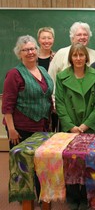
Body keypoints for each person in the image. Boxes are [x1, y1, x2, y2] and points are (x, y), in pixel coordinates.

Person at [1, 35, 54, 199]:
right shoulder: (14, 74)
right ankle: (24, 198)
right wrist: (11, 129)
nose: (30, 52)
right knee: (23, 165)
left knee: (40, 164)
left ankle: (40, 196)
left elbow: (46, 96)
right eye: (25, 50)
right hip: (20, 128)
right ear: (19, 53)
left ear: (37, 51)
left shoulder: (43, 71)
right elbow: (7, 105)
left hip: (42, 127)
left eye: (32, 49)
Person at [55, 43, 95, 209]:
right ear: (71, 57)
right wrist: (71, 126)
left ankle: (85, 197)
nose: (78, 58)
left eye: (81, 55)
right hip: (70, 128)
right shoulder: (62, 76)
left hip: (91, 127)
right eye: (75, 55)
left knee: (88, 161)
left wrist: (85, 125)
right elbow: (60, 104)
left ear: (86, 57)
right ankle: (72, 197)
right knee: (70, 162)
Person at [48, 21, 95, 86]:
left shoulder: (94, 54)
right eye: (79, 35)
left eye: (85, 34)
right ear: (72, 38)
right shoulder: (61, 53)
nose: (82, 37)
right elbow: (51, 77)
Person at [37, 27, 58, 131]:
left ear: (53, 39)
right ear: (38, 40)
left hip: (53, 102)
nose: (46, 41)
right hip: (37, 102)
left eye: (49, 38)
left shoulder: (58, 57)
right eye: (43, 38)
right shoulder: (32, 57)